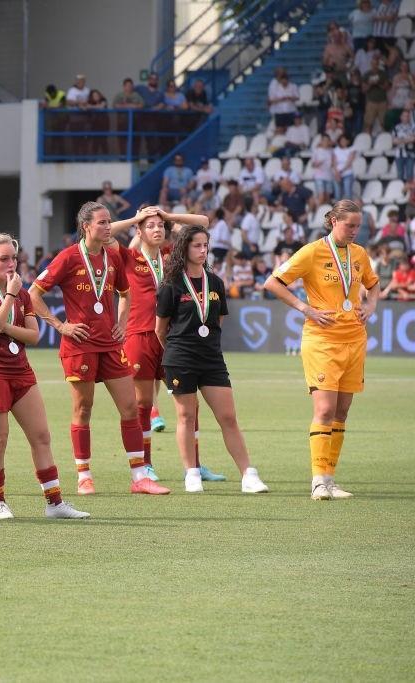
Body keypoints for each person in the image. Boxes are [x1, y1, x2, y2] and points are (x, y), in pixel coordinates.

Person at [29, 202, 170, 496]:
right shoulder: (67, 258)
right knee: (83, 408)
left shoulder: (113, 257)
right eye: (103, 223)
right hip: (79, 345)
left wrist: (121, 322)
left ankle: (139, 477)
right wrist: (60, 326)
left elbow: (125, 293)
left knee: (130, 407)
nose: (108, 228)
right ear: (87, 227)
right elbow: (34, 294)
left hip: (110, 344)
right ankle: (84, 475)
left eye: (109, 222)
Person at [0, 234, 89, 520]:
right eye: (4, 259)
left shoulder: (23, 294)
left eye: (14, 258)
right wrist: (8, 298)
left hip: (20, 370)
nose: (11, 264)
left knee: (42, 436)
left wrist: (6, 319)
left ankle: (55, 503)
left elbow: (33, 335)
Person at [263, 201, 381, 499]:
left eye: (358, 226)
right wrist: (305, 308)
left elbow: (373, 284)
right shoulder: (312, 251)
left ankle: (330, 479)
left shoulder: (359, 254)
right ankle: (317, 480)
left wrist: (370, 305)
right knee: (325, 409)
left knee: (342, 411)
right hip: (322, 339)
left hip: (354, 339)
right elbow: (273, 283)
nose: (355, 231)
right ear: (332, 221)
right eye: (349, 225)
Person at [110, 206, 226, 483]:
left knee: (190, 405)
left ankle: (195, 465)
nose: (157, 229)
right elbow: (105, 233)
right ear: (139, 231)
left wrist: (169, 216)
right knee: (143, 402)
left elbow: (203, 221)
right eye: (150, 226)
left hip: (176, 339)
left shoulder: (172, 257)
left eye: (160, 226)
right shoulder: (129, 257)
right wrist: (137, 219)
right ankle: (146, 463)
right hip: (140, 335)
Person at [154, 226, 269, 494]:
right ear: (184, 248)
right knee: (186, 416)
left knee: (228, 417)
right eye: (197, 245)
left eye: (205, 245)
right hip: (180, 358)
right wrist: (175, 352)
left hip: (212, 359)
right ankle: (191, 473)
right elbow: (160, 330)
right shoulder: (171, 284)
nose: (203, 250)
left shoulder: (215, 282)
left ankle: (248, 475)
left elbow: (217, 321)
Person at [268, 68, 300, 132]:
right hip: (279, 112)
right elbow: (271, 100)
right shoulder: (276, 87)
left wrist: (290, 98)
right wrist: (281, 99)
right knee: (280, 129)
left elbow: (297, 97)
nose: (284, 82)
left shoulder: (293, 86)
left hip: (290, 111)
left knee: (290, 129)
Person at [393, 108, 415, 182]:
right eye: (404, 116)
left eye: (407, 116)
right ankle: (400, 192)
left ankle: (410, 192)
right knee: (400, 174)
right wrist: (407, 139)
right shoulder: (396, 127)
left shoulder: (413, 127)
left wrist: (401, 140)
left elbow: (413, 139)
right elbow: (394, 141)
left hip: (410, 154)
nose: (406, 118)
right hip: (399, 155)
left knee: (410, 174)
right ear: (401, 117)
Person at [333, 134, 357, 200]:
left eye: (344, 140)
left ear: (348, 141)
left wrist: (341, 171)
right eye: (341, 140)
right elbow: (334, 162)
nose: (343, 142)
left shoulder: (352, 149)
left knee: (348, 194)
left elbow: (349, 162)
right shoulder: (336, 150)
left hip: (347, 173)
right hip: (337, 174)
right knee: (337, 195)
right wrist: (336, 172)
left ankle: (349, 209)